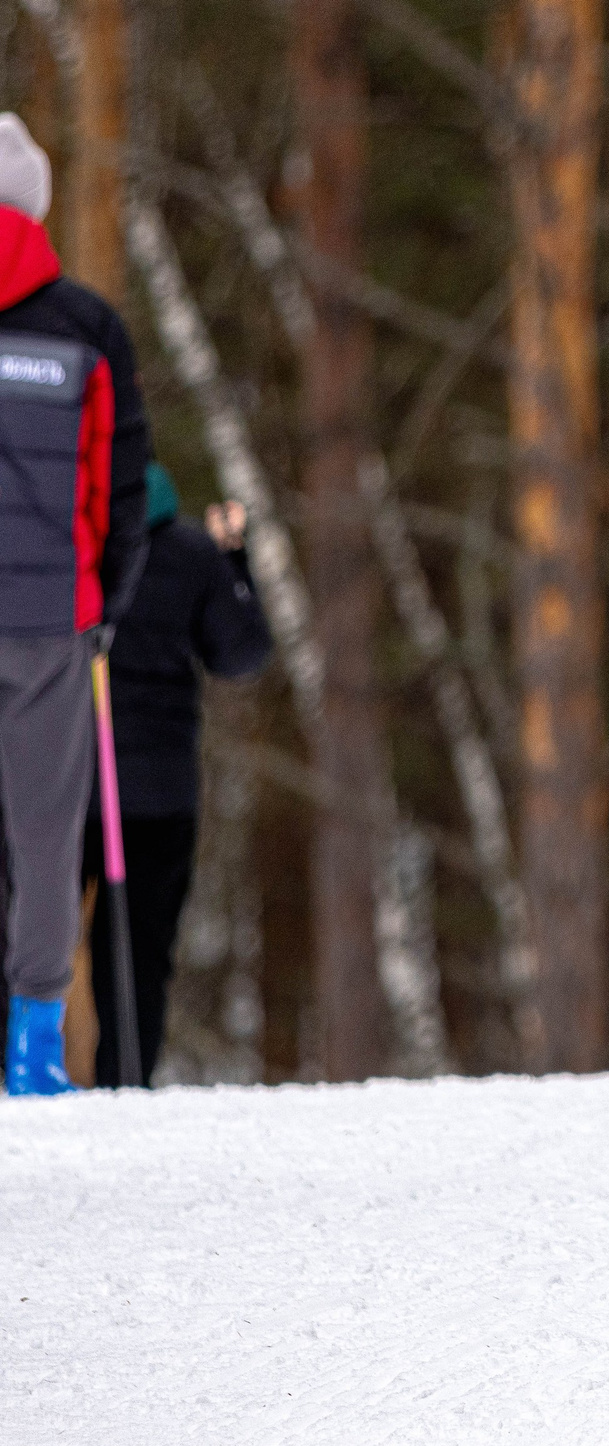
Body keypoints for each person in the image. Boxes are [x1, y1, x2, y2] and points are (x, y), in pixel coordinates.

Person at [0, 115, 153, 1095]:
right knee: (47, 830)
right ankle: (33, 1045)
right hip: (51, 619)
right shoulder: (89, 331)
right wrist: (108, 600)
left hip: (52, 613)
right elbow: (125, 486)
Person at [82, 472, 272, 1086]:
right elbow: (240, 653)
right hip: (156, 795)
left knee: (28, 938)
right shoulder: (192, 554)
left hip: (63, 787)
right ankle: (125, 1082)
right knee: (137, 951)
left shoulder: (62, 547)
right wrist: (234, 561)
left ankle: (29, 1076)